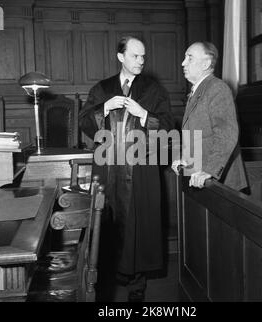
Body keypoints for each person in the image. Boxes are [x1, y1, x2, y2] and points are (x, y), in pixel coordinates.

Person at [79, 36, 174, 302]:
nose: (141, 61)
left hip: (140, 170)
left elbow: (168, 127)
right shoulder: (102, 88)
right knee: (105, 227)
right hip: (108, 169)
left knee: (139, 230)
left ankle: (137, 290)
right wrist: (104, 108)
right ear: (120, 57)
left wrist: (144, 115)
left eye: (143, 57)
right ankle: (103, 284)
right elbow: (84, 122)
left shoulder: (153, 89)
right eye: (135, 56)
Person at [172, 42, 248, 191]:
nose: (183, 63)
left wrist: (210, 170)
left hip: (222, 184)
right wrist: (184, 159)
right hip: (200, 177)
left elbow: (226, 133)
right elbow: (198, 135)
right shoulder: (200, 89)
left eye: (189, 58)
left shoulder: (217, 88)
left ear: (206, 63)